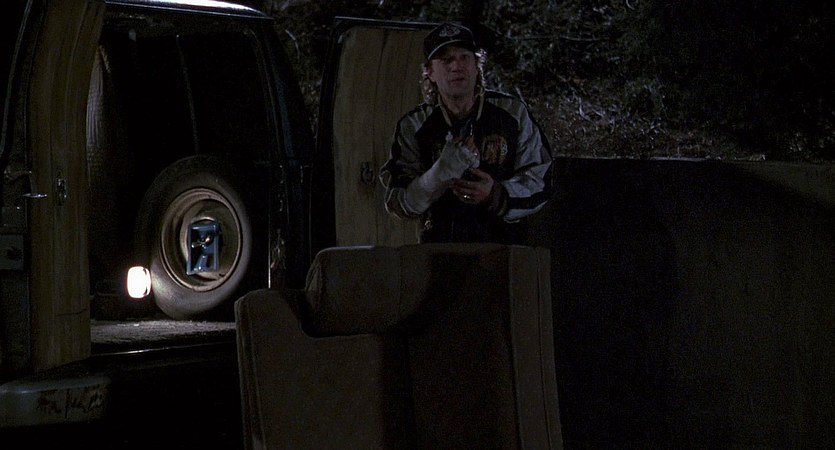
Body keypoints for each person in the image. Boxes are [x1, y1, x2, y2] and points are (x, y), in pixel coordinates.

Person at [379, 21, 553, 244]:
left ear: (476, 65)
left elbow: (542, 180)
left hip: (505, 247)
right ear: (430, 72)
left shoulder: (512, 113)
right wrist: (438, 175)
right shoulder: (414, 125)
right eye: (446, 60)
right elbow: (398, 202)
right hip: (438, 249)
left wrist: (494, 193)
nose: (456, 66)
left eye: (464, 57)